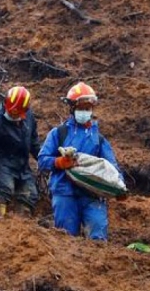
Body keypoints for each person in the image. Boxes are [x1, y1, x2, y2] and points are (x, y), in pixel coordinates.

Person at [37, 81, 122, 240]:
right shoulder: (58, 134)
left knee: (97, 234)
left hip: (91, 194)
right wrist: (59, 162)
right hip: (64, 192)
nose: (84, 112)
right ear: (72, 108)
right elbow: (42, 159)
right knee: (67, 239)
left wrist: (119, 187)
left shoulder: (98, 139)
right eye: (81, 108)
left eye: (87, 108)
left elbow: (111, 166)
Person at [0, 85, 41, 216]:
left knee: (30, 194)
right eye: (11, 111)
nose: (13, 114)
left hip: (22, 166)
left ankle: (22, 221)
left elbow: (34, 142)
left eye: (17, 113)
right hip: (2, 164)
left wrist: (44, 159)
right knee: (4, 189)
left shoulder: (28, 117)